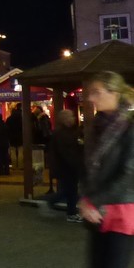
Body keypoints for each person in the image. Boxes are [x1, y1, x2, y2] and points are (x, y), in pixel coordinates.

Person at [79, 71, 134, 268]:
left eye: (96, 92)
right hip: (98, 210)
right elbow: (89, 166)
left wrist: (92, 201)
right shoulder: (99, 125)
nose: (91, 98)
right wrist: (85, 197)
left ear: (115, 93)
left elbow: (129, 175)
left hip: (121, 209)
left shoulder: (130, 125)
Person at [44, 109, 83, 222]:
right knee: (69, 190)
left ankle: (71, 212)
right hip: (66, 167)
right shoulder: (62, 133)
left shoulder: (71, 131)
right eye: (70, 116)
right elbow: (66, 152)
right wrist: (76, 163)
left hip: (68, 166)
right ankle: (53, 203)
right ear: (65, 119)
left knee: (71, 190)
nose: (73, 118)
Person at [7, 103, 24, 168]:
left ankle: (14, 165)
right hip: (20, 136)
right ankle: (20, 165)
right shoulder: (21, 118)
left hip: (12, 137)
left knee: (13, 151)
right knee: (20, 151)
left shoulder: (9, 119)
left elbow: (7, 128)